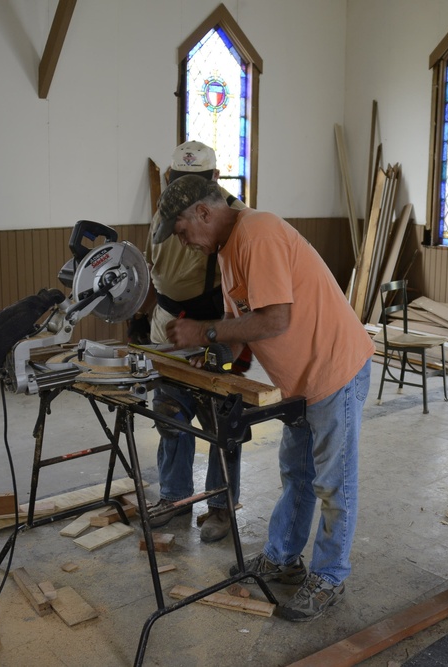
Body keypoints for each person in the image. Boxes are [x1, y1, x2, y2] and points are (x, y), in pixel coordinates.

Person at [154, 174, 374, 622]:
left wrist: (205, 330)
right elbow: (243, 325)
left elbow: (275, 319)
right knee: (297, 473)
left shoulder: (261, 233)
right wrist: (216, 358)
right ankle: (283, 558)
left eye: (181, 231)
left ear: (203, 211)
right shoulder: (226, 251)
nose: (183, 242)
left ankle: (330, 577)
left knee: (334, 484)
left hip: (333, 371)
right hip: (299, 383)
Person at [135, 141, 247, 543]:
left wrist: (227, 341)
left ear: (214, 180)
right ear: (169, 178)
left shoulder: (231, 218)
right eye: (178, 182)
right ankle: (174, 497)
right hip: (167, 323)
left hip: (213, 325)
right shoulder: (163, 213)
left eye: (194, 184)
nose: (184, 191)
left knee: (221, 420)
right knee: (169, 414)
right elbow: (153, 267)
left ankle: (220, 504)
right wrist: (142, 312)